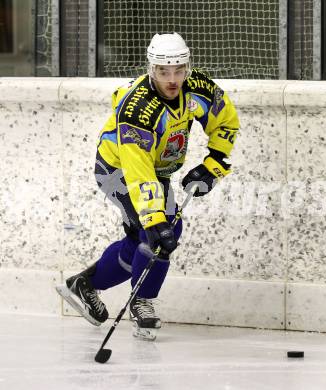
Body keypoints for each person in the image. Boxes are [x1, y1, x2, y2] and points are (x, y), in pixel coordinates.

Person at [56, 32, 240, 340]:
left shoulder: (199, 89)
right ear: (150, 68)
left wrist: (213, 165)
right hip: (117, 170)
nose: (172, 79)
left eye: (179, 70)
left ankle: (86, 284)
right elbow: (138, 173)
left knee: (147, 237)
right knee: (160, 233)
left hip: (156, 171)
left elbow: (226, 122)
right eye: (163, 71)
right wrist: (154, 220)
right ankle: (142, 303)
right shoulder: (137, 109)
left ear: (188, 67)